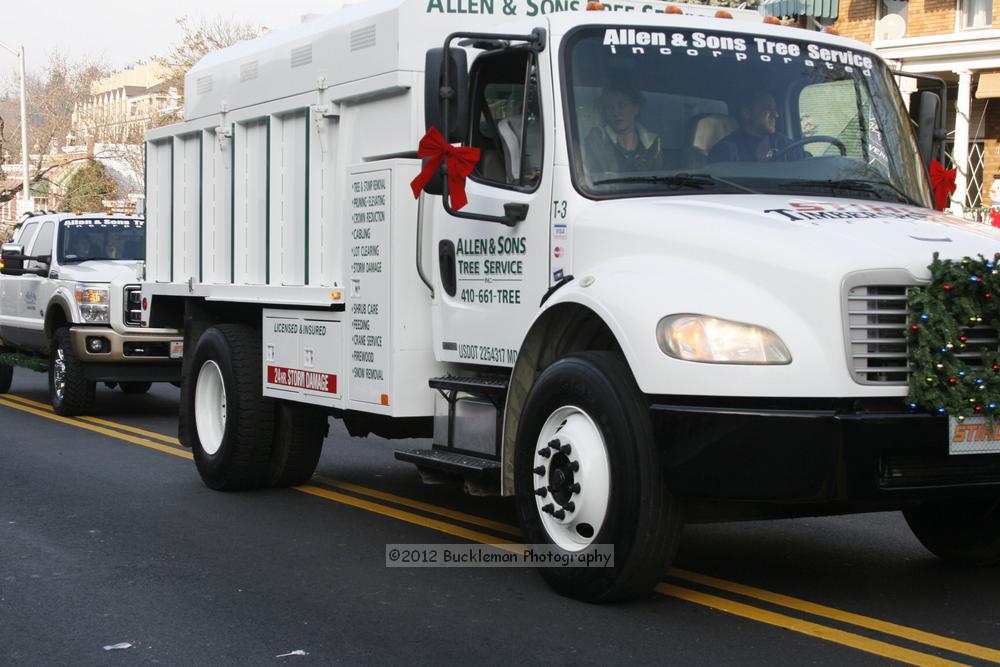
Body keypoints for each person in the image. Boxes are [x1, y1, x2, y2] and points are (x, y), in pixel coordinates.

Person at [583, 83, 663, 176]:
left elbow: (658, 180)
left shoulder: (653, 143)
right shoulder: (598, 138)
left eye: (621, 105)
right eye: (610, 108)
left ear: (635, 108)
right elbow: (587, 178)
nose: (616, 112)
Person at [709, 91, 806, 163]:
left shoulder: (785, 144)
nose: (776, 115)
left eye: (775, 109)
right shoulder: (727, 150)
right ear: (746, 113)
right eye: (767, 109)